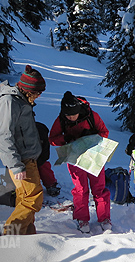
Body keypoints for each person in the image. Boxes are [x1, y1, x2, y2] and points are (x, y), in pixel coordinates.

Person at [0, 65, 46, 235]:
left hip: (28, 158)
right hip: (21, 160)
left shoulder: (21, 100)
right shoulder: (9, 102)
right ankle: (10, 236)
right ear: (29, 90)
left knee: (24, 199)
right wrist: (15, 165)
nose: (39, 96)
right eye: (38, 93)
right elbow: (2, 136)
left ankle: (27, 237)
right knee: (32, 198)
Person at [49, 91, 111, 233]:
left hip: (94, 155)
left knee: (99, 188)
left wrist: (91, 138)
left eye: (73, 115)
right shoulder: (61, 120)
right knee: (81, 189)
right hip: (74, 156)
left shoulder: (91, 116)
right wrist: (66, 139)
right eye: (67, 115)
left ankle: (104, 218)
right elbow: (52, 138)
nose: (70, 118)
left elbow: (104, 132)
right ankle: (82, 218)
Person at [35, 122, 61, 197]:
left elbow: (45, 155)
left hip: (38, 155)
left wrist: (40, 161)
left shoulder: (41, 132)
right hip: (23, 157)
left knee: (44, 166)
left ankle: (51, 184)